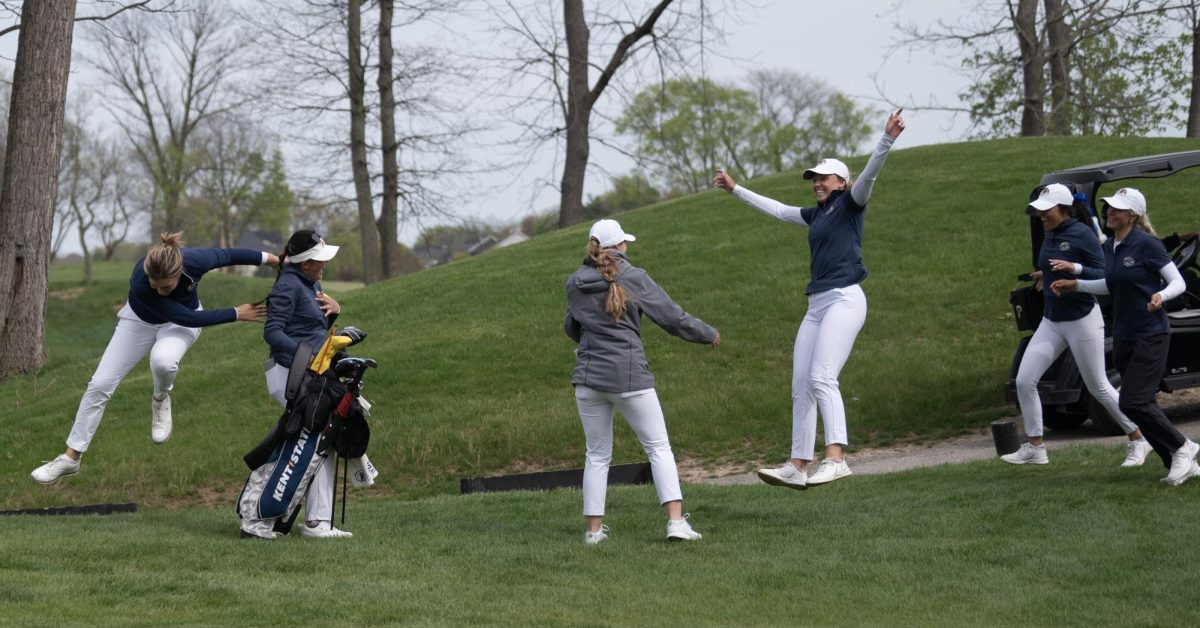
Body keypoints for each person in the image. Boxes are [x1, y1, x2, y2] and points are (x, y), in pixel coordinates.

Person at [712, 110, 905, 489]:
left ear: (841, 181)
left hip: (845, 299)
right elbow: (780, 210)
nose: (816, 183)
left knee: (822, 376)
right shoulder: (816, 215)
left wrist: (887, 140)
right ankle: (798, 463)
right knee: (801, 381)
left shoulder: (852, 201)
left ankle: (836, 459)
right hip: (817, 304)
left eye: (823, 178)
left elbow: (870, 175)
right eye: (813, 179)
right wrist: (736, 190)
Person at [31, 232, 276, 484]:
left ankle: (160, 397)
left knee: (163, 360)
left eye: (166, 286)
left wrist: (274, 260)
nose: (159, 291)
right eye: (154, 285)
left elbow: (229, 255)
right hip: (140, 322)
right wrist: (235, 313)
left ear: (179, 272)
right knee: (100, 384)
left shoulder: (193, 261)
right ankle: (71, 457)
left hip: (179, 324)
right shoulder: (141, 283)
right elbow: (185, 316)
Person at [564, 219, 720, 544]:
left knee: (596, 454)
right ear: (620, 246)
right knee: (658, 447)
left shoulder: (574, 283)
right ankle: (676, 524)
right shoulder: (633, 277)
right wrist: (707, 334)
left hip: (588, 379)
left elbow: (571, 327)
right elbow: (672, 317)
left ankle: (593, 532)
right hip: (629, 374)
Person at [1051, 187, 1197, 485]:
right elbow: (1110, 284)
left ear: (1132, 215)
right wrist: (1076, 285)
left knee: (1133, 402)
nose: (1109, 212)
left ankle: (1184, 447)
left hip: (1151, 333)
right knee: (1141, 404)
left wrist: (1160, 295)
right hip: (1124, 334)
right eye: (1108, 208)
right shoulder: (1110, 248)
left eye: (1116, 209)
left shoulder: (1147, 245)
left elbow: (1178, 282)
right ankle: (1179, 463)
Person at [1002, 184, 1152, 466]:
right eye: (1039, 212)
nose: (1041, 216)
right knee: (1024, 381)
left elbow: (1106, 275)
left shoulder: (1081, 234)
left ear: (1064, 210)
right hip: (1052, 319)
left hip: (1082, 320)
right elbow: (1054, 262)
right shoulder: (1050, 233)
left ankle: (1138, 438)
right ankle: (1036, 447)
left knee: (1097, 386)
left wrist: (1073, 270)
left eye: (1047, 212)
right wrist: (1044, 273)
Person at [262, 229, 352, 538]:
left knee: (320, 441)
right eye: (319, 260)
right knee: (314, 441)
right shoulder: (287, 287)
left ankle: (318, 520)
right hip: (289, 374)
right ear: (304, 264)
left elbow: (310, 326)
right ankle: (314, 522)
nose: (324, 265)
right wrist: (309, 355)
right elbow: (273, 333)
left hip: (311, 373)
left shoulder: (312, 283)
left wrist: (333, 313)